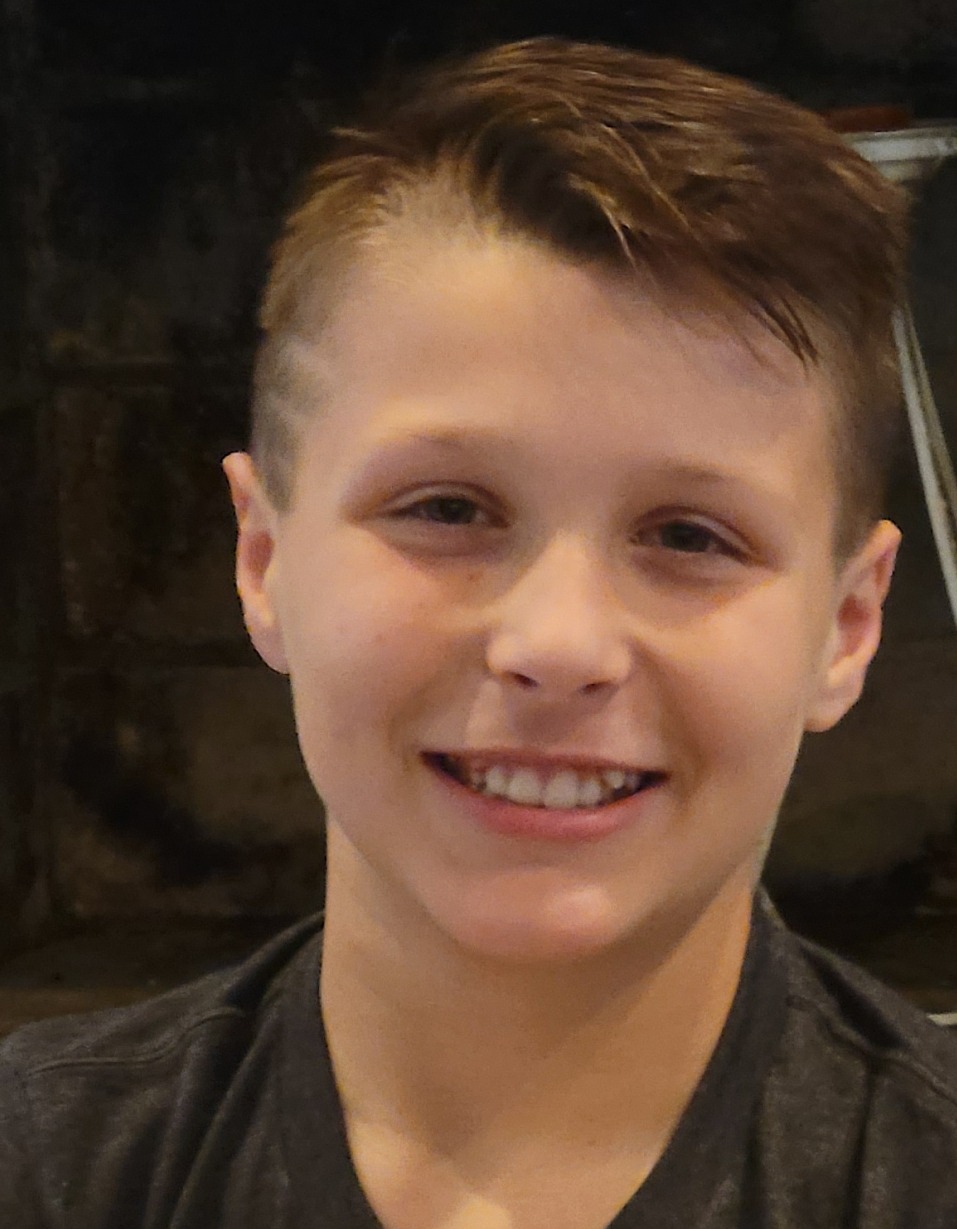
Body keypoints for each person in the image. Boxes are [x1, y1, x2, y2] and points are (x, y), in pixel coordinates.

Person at [2, 35, 956, 1229]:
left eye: (690, 535)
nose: (558, 643)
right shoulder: (44, 1163)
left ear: (848, 624)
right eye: (447, 509)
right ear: (263, 558)